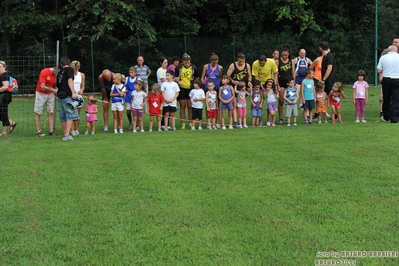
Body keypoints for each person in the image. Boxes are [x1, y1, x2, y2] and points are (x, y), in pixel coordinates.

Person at [226, 52, 252, 128]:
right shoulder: (233, 65)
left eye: (243, 61)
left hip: (243, 89)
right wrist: (232, 81)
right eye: (240, 61)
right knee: (235, 104)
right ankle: (236, 121)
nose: (241, 63)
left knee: (242, 104)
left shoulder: (247, 65)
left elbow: (249, 75)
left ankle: (242, 121)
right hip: (235, 88)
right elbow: (227, 76)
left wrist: (249, 81)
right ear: (237, 59)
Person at [56, 56, 79, 141]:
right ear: (69, 64)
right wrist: (73, 92)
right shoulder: (69, 70)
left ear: (61, 64)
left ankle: (65, 134)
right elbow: (70, 80)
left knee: (63, 116)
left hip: (60, 96)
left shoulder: (59, 72)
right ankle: (66, 135)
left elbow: (58, 85)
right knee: (69, 115)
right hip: (67, 96)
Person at [175, 53, 199, 129]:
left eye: (188, 61)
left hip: (190, 88)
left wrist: (194, 84)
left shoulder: (193, 68)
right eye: (185, 61)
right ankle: (183, 123)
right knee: (182, 106)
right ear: (182, 61)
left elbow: (197, 77)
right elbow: (175, 77)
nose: (187, 63)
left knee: (190, 106)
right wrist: (178, 81)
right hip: (181, 88)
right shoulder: (179, 67)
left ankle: (191, 122)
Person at [377, 45, 399, 123]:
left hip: (386, 79)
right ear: (396, 50)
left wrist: (384, 72)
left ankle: (386, 116)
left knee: (386, 98)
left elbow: (379, 70)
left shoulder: (383, 58)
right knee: (396, 99)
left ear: (388, 50)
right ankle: (395, 118)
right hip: (397, 79)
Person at [34, 66, 57, 137]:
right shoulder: (44, 72)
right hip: (40, 93)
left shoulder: (57, 75)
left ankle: (51, 131)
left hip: (50, 94)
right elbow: (42, 86)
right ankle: (38, 131)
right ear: (55, 69)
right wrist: (53, 90)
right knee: (38, 112)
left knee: (51, 112)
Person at [277, 44, 294, 124]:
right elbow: (276, 73)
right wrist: (277, 85)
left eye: (286, 55)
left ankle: (288, 118)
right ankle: (280, 118)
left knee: (290, 100)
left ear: (289, 54)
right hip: (281, 82)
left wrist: (293, 83)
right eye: (283, 55)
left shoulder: (291, 61)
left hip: (289, 83)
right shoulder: (278, 61)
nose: (284, 56)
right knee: (281, 100)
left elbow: (293, 72)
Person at [0, 61, 17, 136]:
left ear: (4, 67)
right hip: (3, 97)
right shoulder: (2, 75)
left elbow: (5, 86)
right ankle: (11, 123)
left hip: (4, 97)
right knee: (2, 113)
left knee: (3, 113)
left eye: (0, 67)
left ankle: (4, 132)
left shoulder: (4, 75)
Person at [70, 60, 85, 136]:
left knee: (77, 114)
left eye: (74, 68)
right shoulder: (69, 75)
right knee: (71, 112)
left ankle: (77, 129)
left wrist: (81, 90)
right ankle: (71, 129)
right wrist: (72, 92)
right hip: (71, 95)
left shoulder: (82, 75)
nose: (73, 70)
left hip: (78, 96)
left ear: (77, 68)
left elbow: (83, 86)